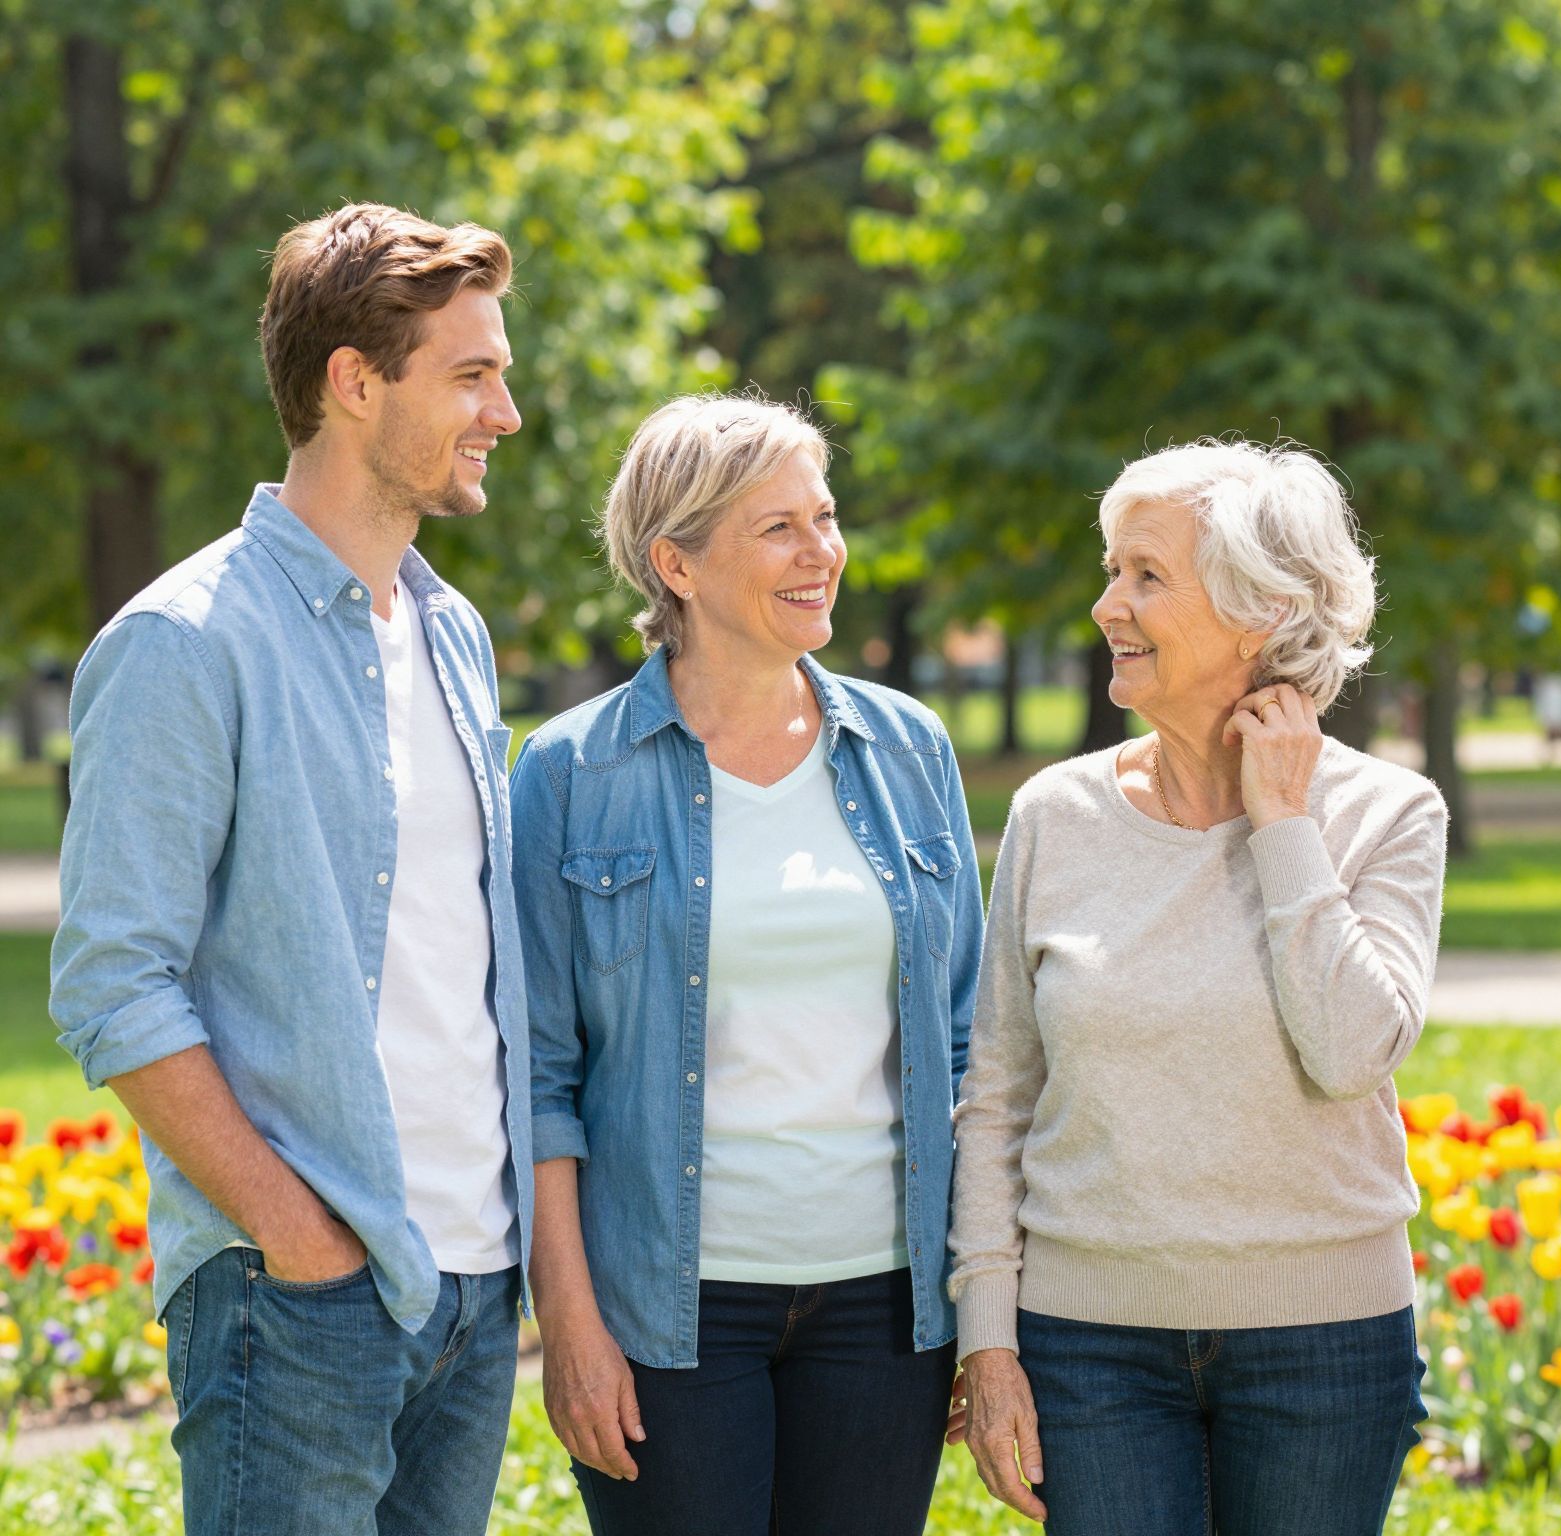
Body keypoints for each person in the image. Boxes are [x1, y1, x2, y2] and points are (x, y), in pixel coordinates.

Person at [49, 203, 531, 1535]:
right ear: (355, 380)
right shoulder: (184, 643)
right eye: (473, 375)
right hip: (301, 1292)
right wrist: (300, 1237)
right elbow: (112, 987)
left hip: (473, 1289)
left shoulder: (455, 636)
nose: (509, 410)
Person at [948, 439, 1443, 1534]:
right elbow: (995, 1094)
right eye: (1112, 569)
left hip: (1324, 1344)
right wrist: (987, 1334)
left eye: (1145, 576)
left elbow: (1352, 1050)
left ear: (1257, 613)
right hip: (1089, 1346)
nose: (1104, 605)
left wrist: (1282, 825)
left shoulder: (1386, 815)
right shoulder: (1052, 816)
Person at [510, 393, 983, 1536]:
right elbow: (538, 1079)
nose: (821, 550)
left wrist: (984, 1308)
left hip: (884, 1310)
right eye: (778, 527)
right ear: (675, 562)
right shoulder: (571, 772)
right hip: (670, 1313)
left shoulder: (907, 748)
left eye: (823, 517)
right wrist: (569, 1326)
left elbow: (970, 1043)